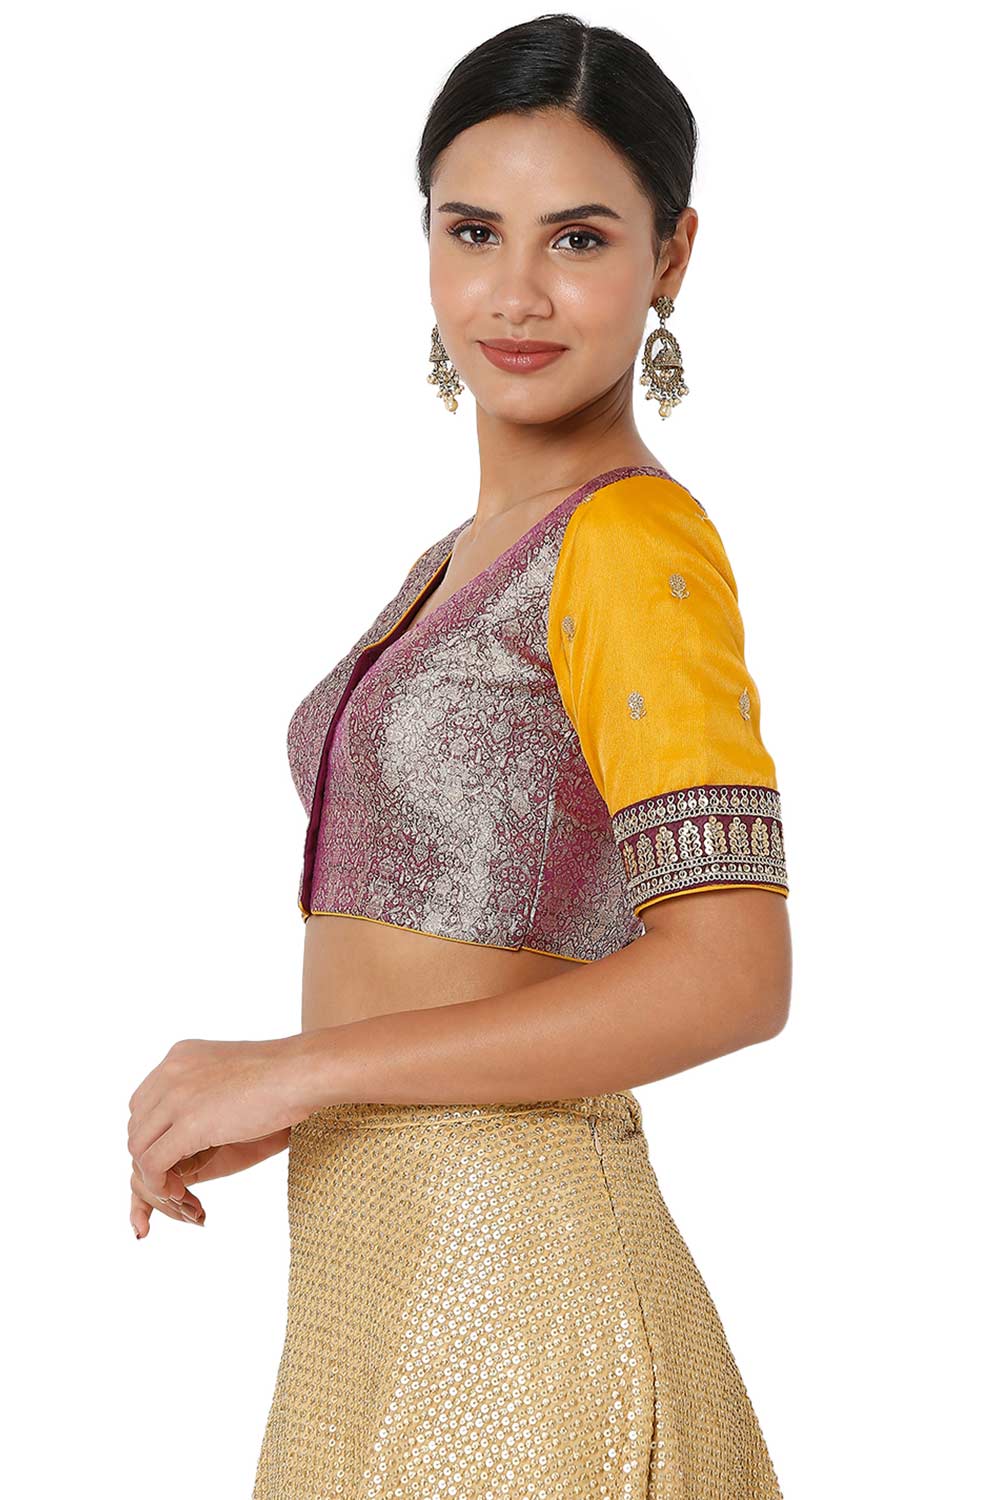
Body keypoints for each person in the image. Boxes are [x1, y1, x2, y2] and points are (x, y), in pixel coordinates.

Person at [126, 15, 792, 1496]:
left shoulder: (630, 542)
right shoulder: (459, 558)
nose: (515, 292)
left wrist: (295, 1069)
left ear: (673, 258)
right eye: (473, 230)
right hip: (378, 1281)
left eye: (580, 239)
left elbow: (735, 971)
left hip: (521, 1293)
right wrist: (308, 1098)